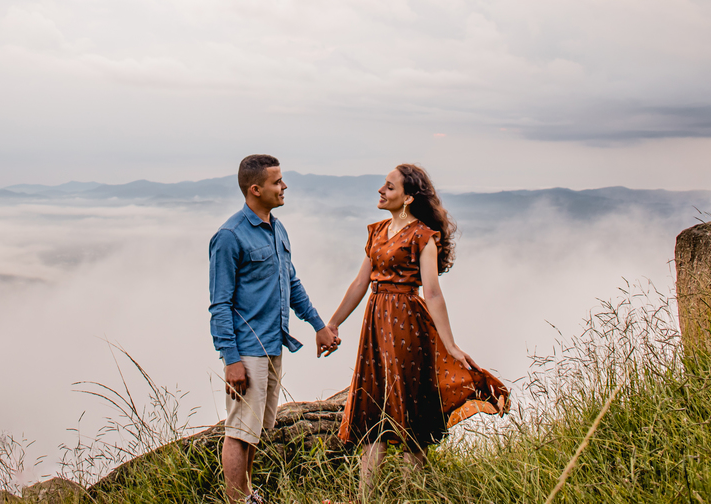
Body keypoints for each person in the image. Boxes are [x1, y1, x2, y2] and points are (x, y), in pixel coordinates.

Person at [324, 163, 508, 496]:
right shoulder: (378, 231)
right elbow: (360, 283)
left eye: (390, 187)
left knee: (408, 407)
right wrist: (333, 323)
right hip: (375, 324)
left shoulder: (423, 236)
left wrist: (451, 345)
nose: (381, 190)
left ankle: (412, 494)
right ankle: (366, 498)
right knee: (374, 409)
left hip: (406, 325)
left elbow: (432, 293)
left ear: (408, 198)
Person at [209, 154, 340, 504]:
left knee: (254, 430)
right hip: (247, 349)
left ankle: (248, 494)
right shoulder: (229, 236)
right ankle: (237, 500)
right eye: (277, 181)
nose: (284, 187)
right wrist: (231, 359)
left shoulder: (277, 229)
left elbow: (291, 283)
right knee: (239, 431)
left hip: (272, 344)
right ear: (256, 189)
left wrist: (318, 325)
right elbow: (219, 304)